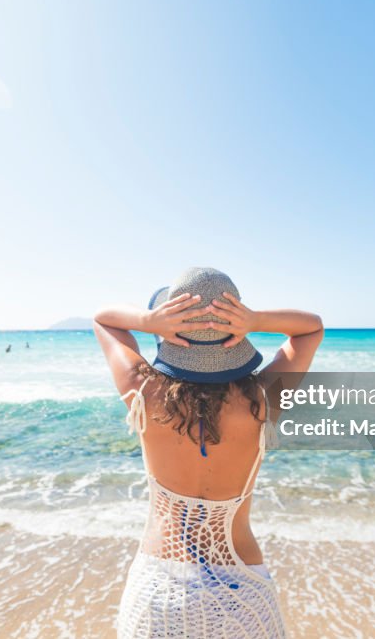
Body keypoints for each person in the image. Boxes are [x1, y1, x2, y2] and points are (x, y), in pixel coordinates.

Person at [94, 267, 323, 639]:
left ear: (169, 333)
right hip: (243, 591)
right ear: (234, 334)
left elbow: (104, 321)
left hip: (160, 585)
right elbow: (310, 328)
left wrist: (148, 321)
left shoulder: (143, 391)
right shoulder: (262, 401)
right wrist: (255, 320)